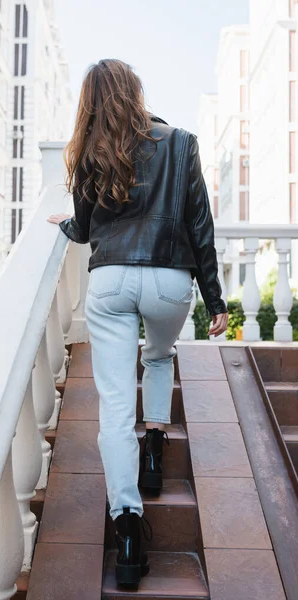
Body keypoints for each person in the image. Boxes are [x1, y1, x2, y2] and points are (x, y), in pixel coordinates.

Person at [48, 58, 228, 588]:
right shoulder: (182, 142)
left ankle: (128, 526)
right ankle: (155, 444)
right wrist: (215, 300)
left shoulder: (92, 147)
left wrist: (64, 227)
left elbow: (82, 230)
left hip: (109, 283)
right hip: (170, 281)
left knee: (112, 407)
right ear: (136, 91)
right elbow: (200, 225)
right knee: (158, 355)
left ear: (92, 100)